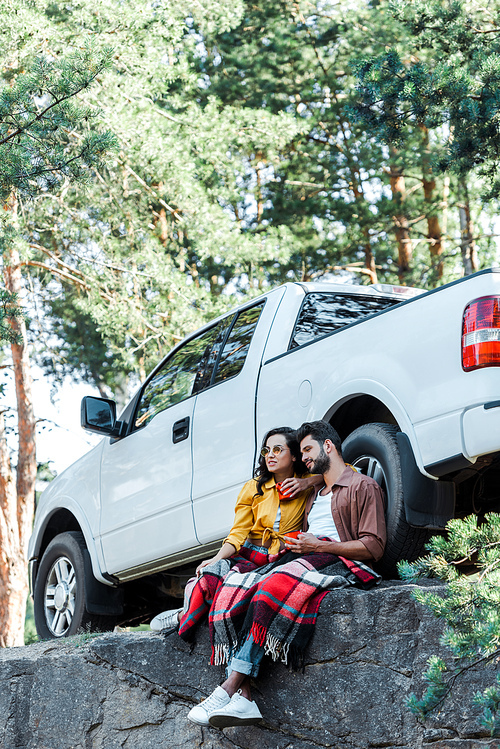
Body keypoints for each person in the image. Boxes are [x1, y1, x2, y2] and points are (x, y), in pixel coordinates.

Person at [191, 420, 386, 729]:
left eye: (307, 450)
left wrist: (322, 546)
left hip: (335, 558)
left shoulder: (363, 486)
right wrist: (310, 487)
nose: (303, 457)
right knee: (243, 590)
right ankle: (244, 697)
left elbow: (374, 546)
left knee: (271, 587)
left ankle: (227, 688)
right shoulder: (313, 492)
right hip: (303, 556)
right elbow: (314, 479)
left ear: (328, 446)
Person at [149, 427, 322, 714]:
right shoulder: (254, 488)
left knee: (244, 596)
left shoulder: (307, 481)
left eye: (278, 449)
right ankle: (185, 615)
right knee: (212, 578)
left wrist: (308, 483)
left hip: (284, 554)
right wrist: (216, 558)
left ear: (294, 456)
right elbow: (238, 533)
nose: (270, 455)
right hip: (251, 553)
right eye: (266, 450)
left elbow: (344, 470)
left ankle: (237, 693)